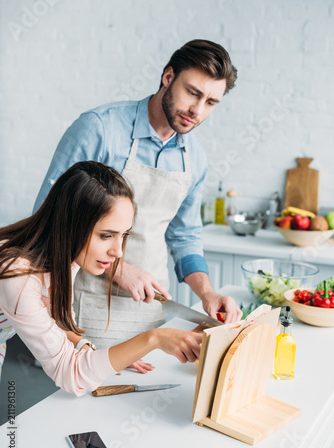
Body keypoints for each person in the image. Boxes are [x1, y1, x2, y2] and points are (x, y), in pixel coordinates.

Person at [33, 39, 242, 351]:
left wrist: (207, 294)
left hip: (151, 312)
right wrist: (121, 269)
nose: (196, 111)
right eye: (193, 93)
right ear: (168, 77)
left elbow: (184, 235)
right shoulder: (99, 129)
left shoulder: (195, 158)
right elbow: (50, 218)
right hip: (88, 306)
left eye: (211, 102)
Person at [0, 161, 202, 393]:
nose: (118, 252)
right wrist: (153, 339)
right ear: (70, 226)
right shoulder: (16, 273)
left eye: (123, 235)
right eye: (106, 235)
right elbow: (71, 376)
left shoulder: (66, 255)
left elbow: (58, 318)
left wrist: (101, 354)